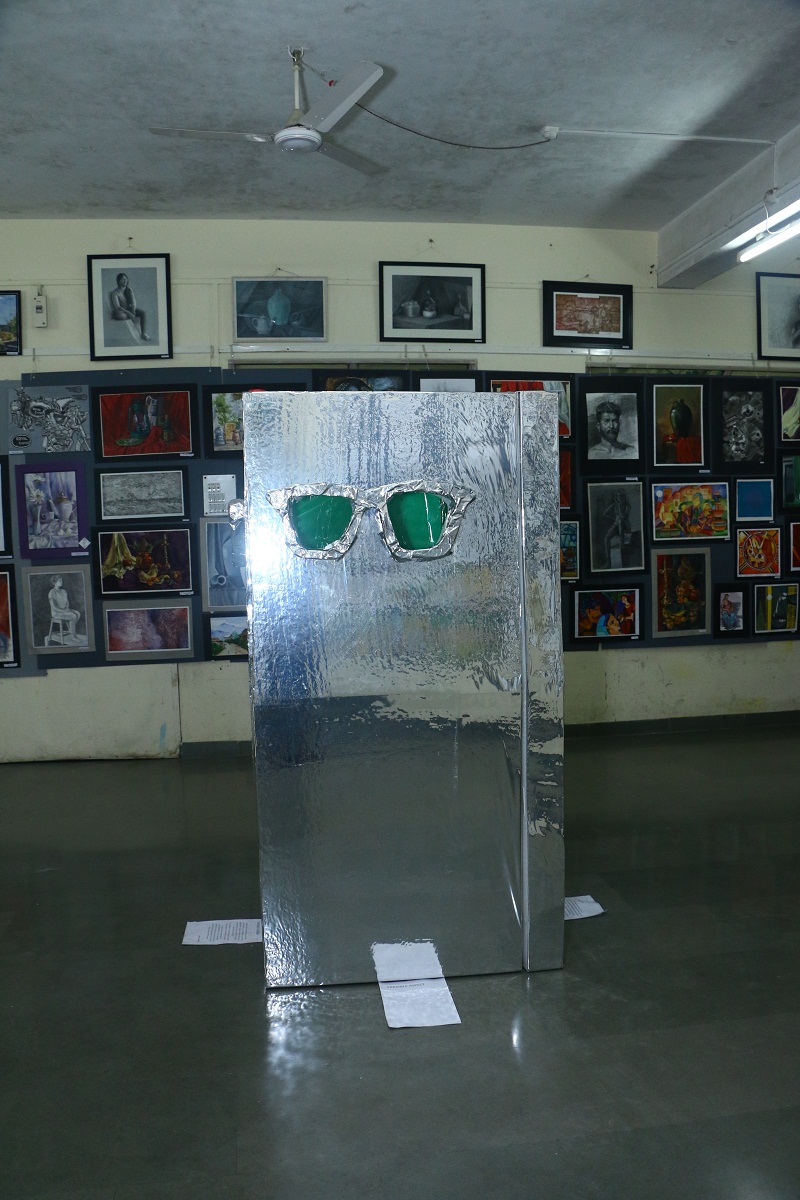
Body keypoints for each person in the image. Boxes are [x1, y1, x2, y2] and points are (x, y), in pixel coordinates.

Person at [108, 273, 149, 341]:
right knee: (122, 316)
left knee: (142, 313)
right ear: (118, 281)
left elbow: (134, 302)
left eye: (126, 279)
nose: (125, 281)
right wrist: (130, 314)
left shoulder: (129, 289)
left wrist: (133, 311)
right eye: (123, 279)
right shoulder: (115, 293)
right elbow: (118, 307)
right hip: (122, 311)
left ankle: (143, 333)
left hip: (130, 309)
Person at [47, 575, 81, 645]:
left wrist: (67, 608)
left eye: (62, 581)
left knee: (77, 613)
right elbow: (54, 607)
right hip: (56, 613)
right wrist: (64, 611)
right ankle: (73, 636)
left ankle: (71, 630)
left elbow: (67, 602)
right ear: (55, 583)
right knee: (73, 616)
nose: (62, 582)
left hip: (64, 610)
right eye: (60, 581)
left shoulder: (64, 591)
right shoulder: (52, 592)